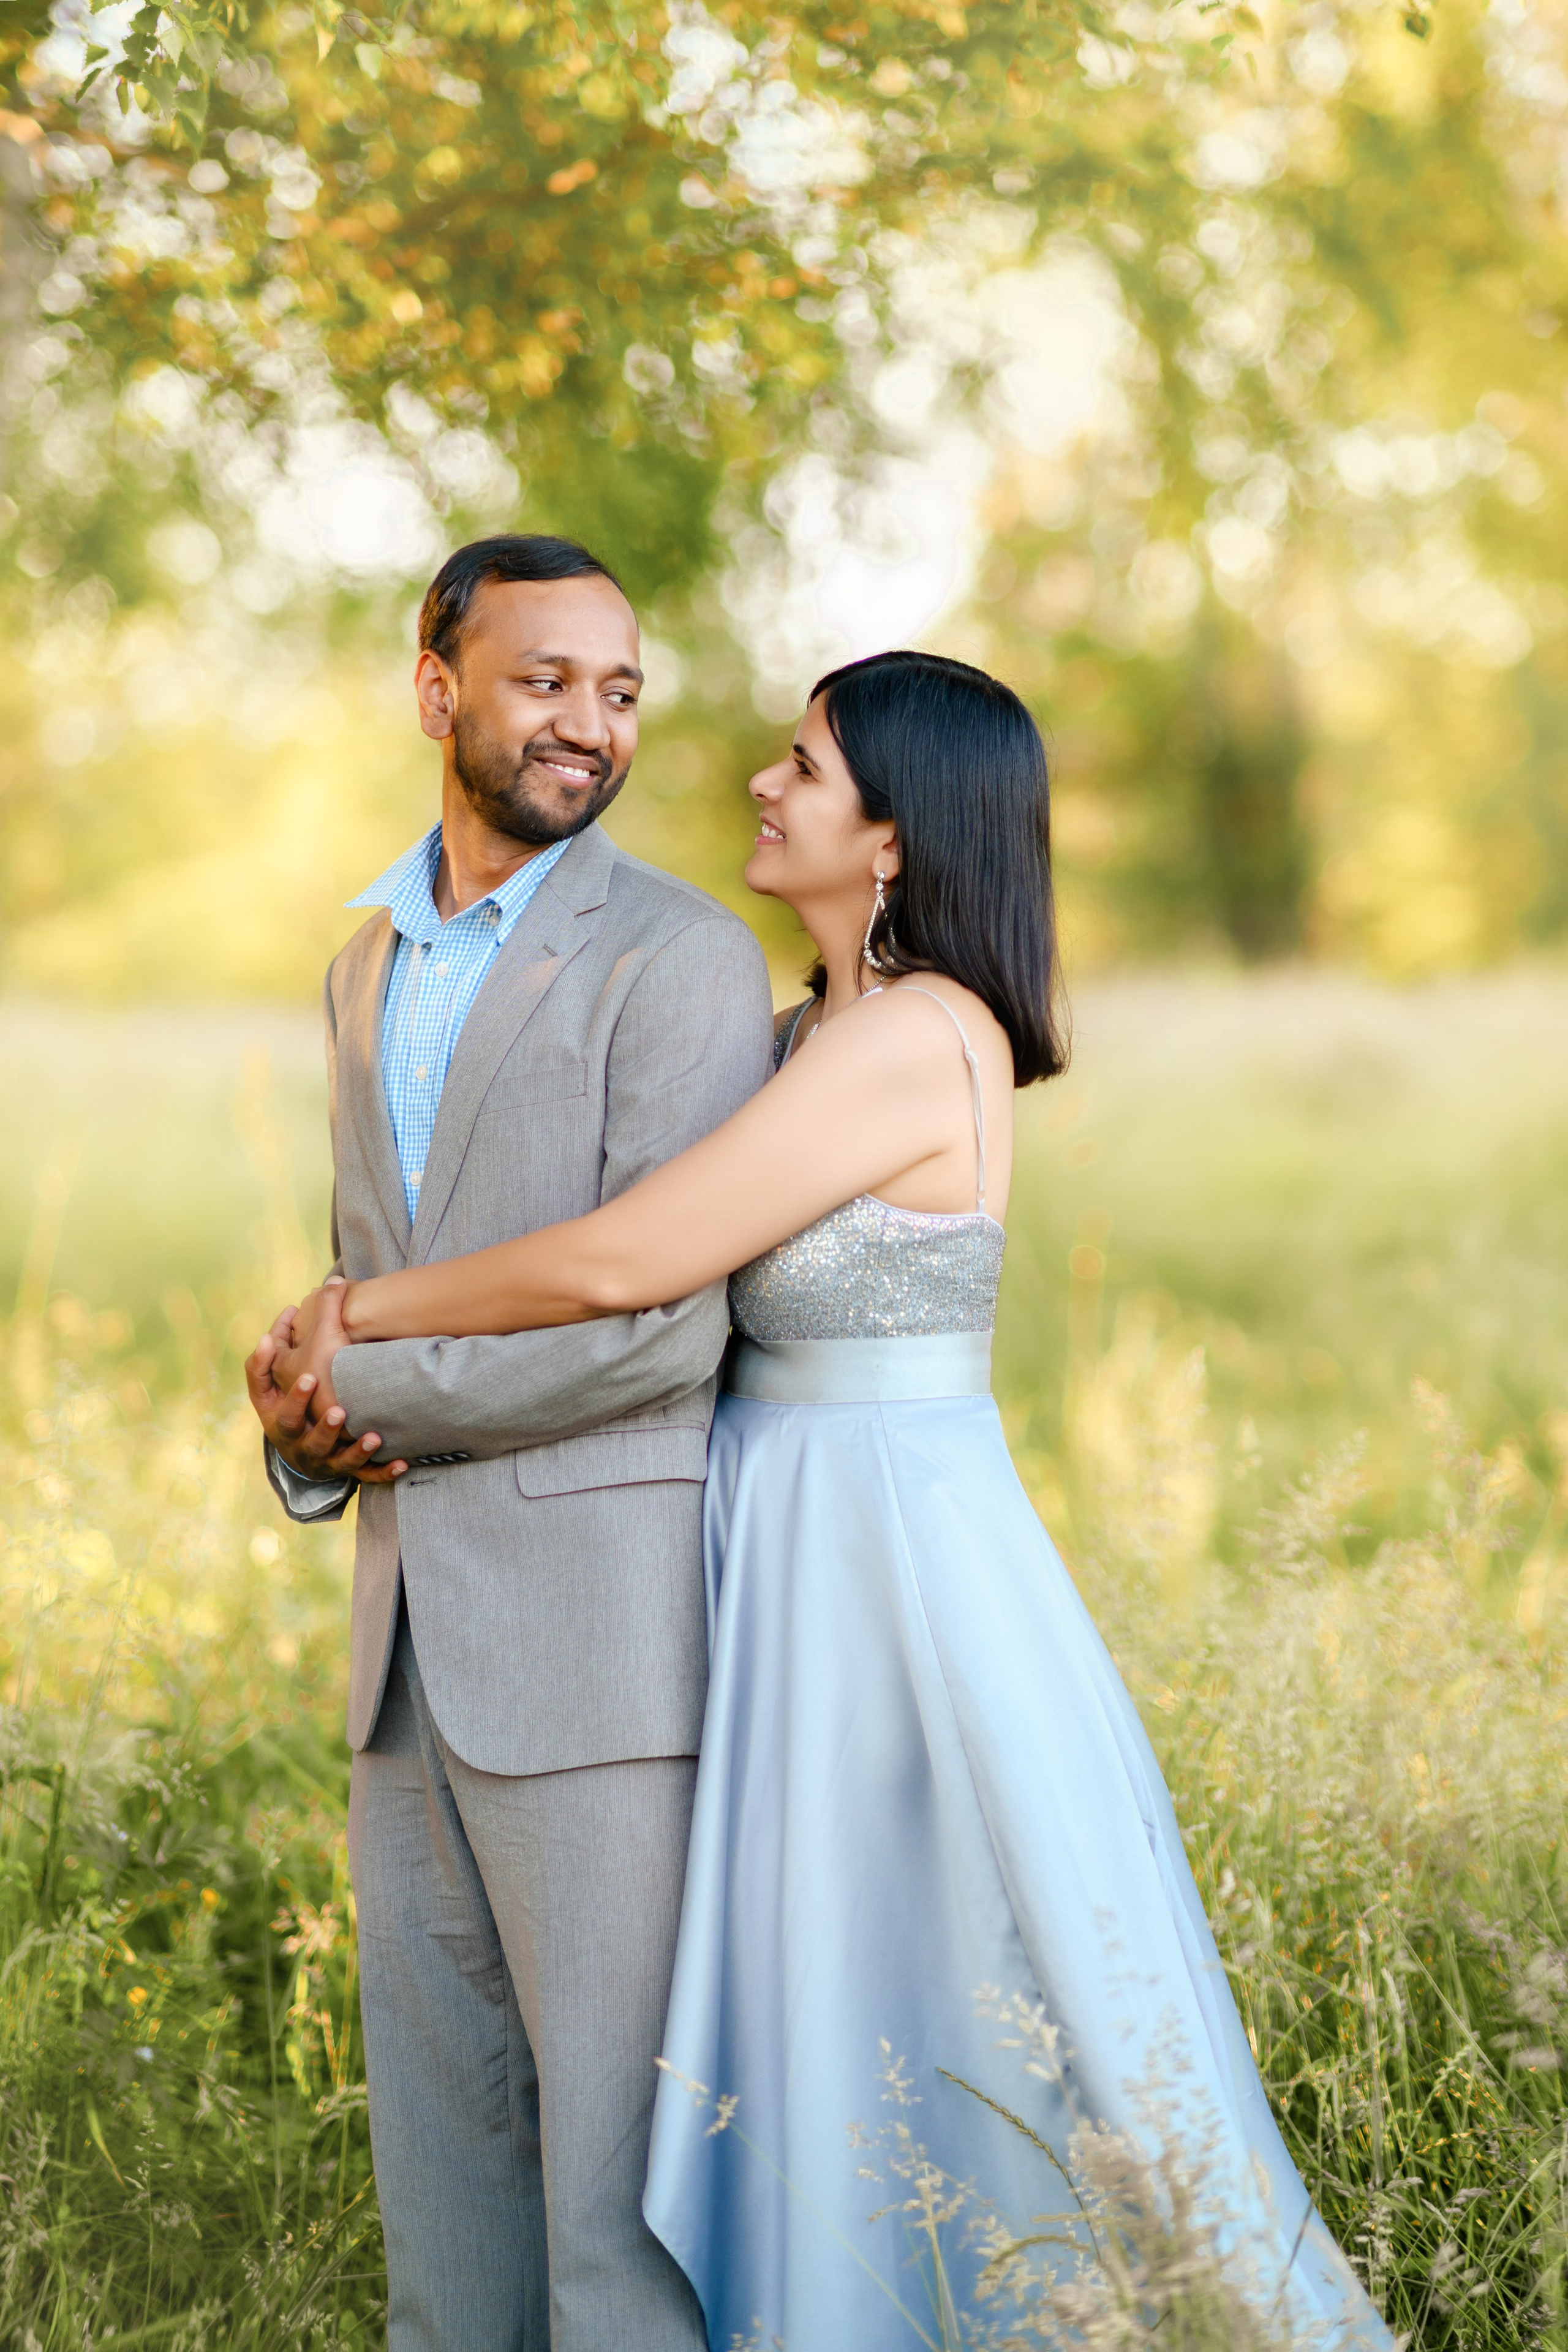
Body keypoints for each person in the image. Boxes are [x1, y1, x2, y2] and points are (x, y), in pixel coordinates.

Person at [273, 649, 1394, 2350]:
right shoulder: (809, 1036)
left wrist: (359, 1313)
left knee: (972, 1985)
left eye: (803, 764)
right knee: (826, 2012)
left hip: (888, 1568)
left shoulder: (920, 1038)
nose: (760, 783)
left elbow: (633, 1258)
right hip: (774, 1548)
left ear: (891, 837)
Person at [245, 532, 774, 2351]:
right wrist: (301, 1429)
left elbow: (663, 1328)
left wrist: (364, 1395)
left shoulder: (683, 959)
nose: (587, 724)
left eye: (618, 692)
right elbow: (368, 1278)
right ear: (436, 689)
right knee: (447, 2215)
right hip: (404, 1670)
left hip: (605, 1665)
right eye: (546, 679)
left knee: (615, 2222)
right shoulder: (362, 963)